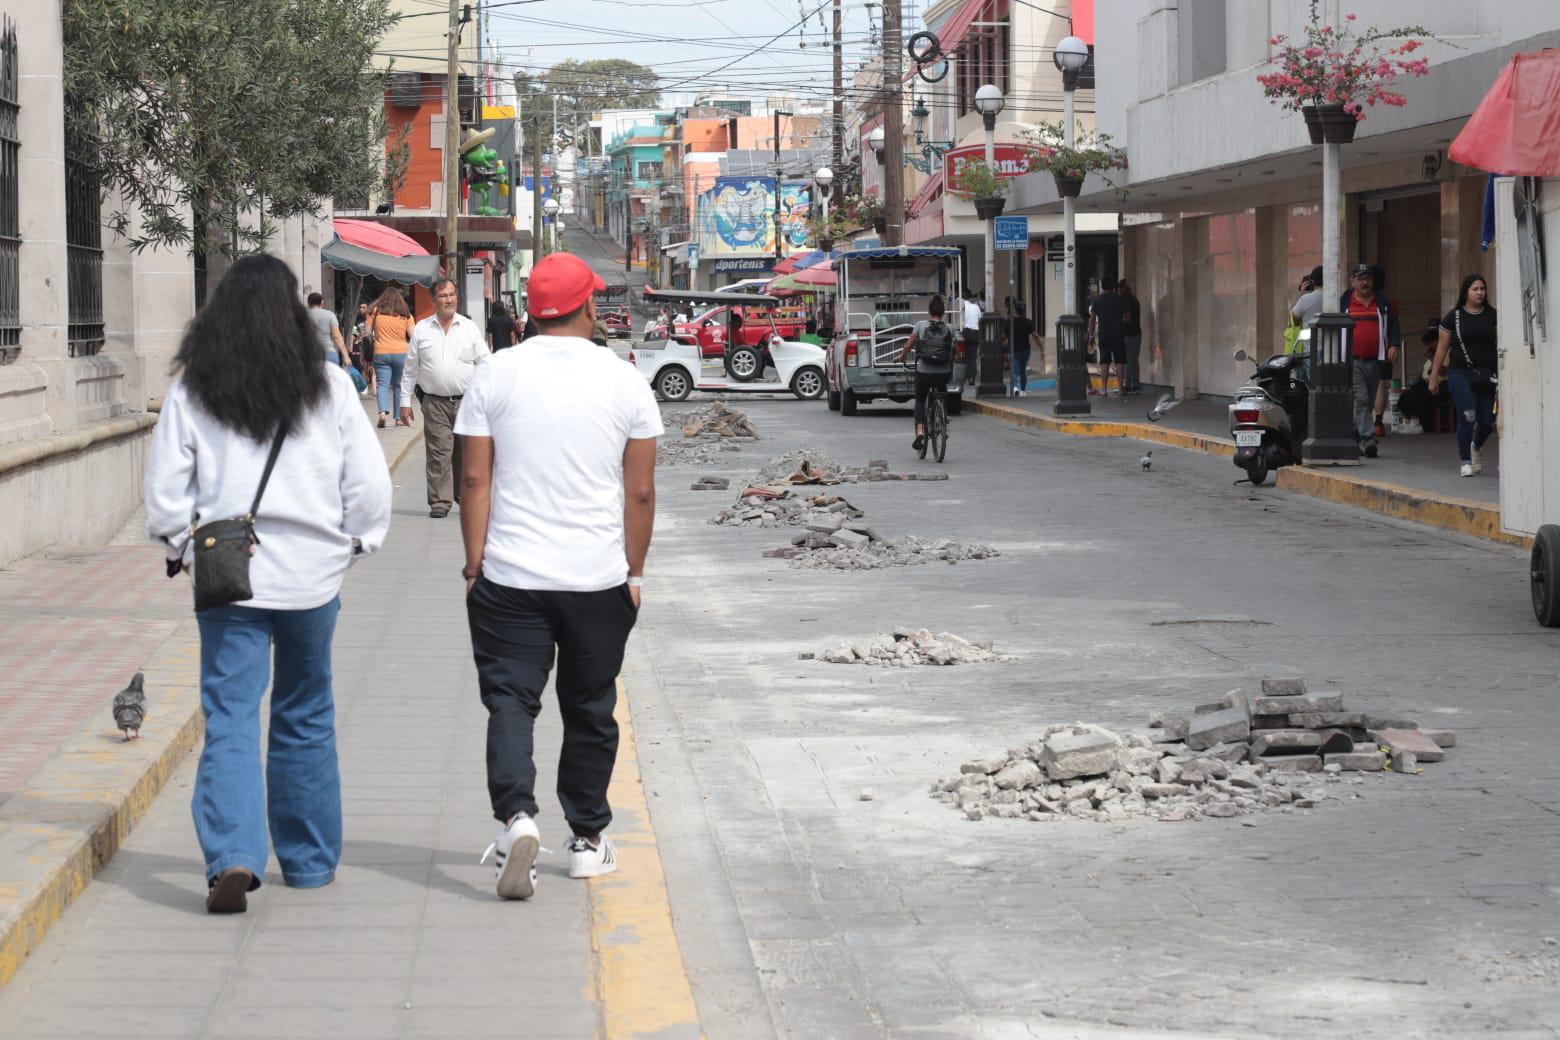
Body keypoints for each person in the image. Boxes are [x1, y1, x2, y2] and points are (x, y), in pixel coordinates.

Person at [144, 255, 392, 914]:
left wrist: (183, 549)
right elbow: (368, 485)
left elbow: (167, 492)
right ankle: (308, 862)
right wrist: (357, 544)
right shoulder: (330, 387)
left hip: (229, 572)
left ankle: (231, 855)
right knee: (305, 715)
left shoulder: (194, 387)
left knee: (229, 716)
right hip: (312, 576)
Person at [455, 251, 660, 900]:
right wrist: (634, 572)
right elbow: (642, 493)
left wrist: (474, 562)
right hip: (597, 578)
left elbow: (472, 479)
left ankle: (518, 819)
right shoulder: (624, 378)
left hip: (511, 576)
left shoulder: (495, 372)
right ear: (589, 306)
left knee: (511, 701)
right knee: (590, 707)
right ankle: (588, 840)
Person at [402, 278, 490, 519]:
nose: (449, 300)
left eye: (452, 295)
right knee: (439, 451)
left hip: (467, 402)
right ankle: (439, 501)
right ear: (433, 300)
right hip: (434, 402)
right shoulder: (422, 329)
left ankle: (462, 494)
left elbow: (485, 361)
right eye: (443, 296)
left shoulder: (469, 328)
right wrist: (404, 402)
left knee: (464, 452)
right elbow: (410, 369)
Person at [1429, 273, 1497, 477]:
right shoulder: (1454, 317)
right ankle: (1465, 461)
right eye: (1475, 289)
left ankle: (1475, 446)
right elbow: (1441, 349)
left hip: (1487, 375)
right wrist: (1433, 377)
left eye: (1482, 289)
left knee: (1487, 422)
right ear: (1465, 292)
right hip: (1461, 373)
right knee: (1468, 415)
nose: (1479, 293)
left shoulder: (1493, 315)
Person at [1340, 263, 1401, 458]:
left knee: (1365, 403)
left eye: (1367, 278)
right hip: (1352, 360)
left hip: (1376, 360)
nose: (1364, 282)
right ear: (1352, 281)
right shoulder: (1345, 301)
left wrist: (1394, 345)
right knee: (1362, 399)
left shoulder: (1381, 300)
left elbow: (1393, 324)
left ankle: (1353, 435)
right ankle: (1368, 438)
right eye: (1360, 279)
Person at [896, 294, 957, 450]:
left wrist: (901, 357)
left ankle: (920, 431)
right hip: (944, 371)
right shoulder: (950, 328)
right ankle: (943, 416)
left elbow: (908, 345)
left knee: (920, 399)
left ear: (930, 311)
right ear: (943, 312)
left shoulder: (921, 325)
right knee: (942, 389)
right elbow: (953, 350)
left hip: (924, 371)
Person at [366, 289, 414, 428]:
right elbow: (413, 335)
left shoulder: (375, 311)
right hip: (401, 353)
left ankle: (382, 413)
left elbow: (367, 332)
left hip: (381, 352)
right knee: (399, 386)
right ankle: (398, 419)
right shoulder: (406, 314)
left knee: (382, 384)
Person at [1394, 327, 1449, 434]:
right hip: (1426, 384)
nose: (1427, 347)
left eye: (1429, 343)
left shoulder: (1446, 353)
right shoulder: (1432, 354)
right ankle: (1408, 421)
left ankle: (1417, 423)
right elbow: (1426, 371)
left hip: (1442, 386)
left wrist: (1432, 357)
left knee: (1417, 396)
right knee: (1406, 394)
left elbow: (1443, 372)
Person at [1089, 275, 1130, 397]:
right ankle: (1121, 389)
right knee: (1119, 361)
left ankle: (1104, 389)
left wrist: (1091, 335)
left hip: (1104, 334)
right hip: (1118, 334)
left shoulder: (1097, 300)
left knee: (1104, 361)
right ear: (1113, 287)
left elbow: (1092, 320)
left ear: (1102, 287)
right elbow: (1128, 318)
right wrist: (1119, 320)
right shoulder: (1120, 300)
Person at [1006, 300, 1041, 397]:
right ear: (1023, 311)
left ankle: (1016, 387)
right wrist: (1041, 349)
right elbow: (1035, 336)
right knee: (1022, 371)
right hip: (1025, 350)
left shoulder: (1009, 322)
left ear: (1014, 310)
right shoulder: (1028, 322)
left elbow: (1004, 337)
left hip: (1013, 350)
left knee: (1014, 370)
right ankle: (1022, 390)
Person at [306, 293, 349, 368]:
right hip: (328, 355)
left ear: (308, 303)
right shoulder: (330, 315)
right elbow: (337, 336)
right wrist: (346, 356)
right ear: (322, 302)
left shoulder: (302, 315)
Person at [1118, 279, 1143, 395]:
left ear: (1127, 288)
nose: (1119, 290)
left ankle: (1127, 385)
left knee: (1128, 360)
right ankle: (1135, 384)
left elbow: (1127, 319)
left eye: (1121, 288)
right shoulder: (1134, 300)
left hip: (1129, 334)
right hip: (1136, 334)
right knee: (1133, 360)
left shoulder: (1126, 301)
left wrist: (1118, 320)